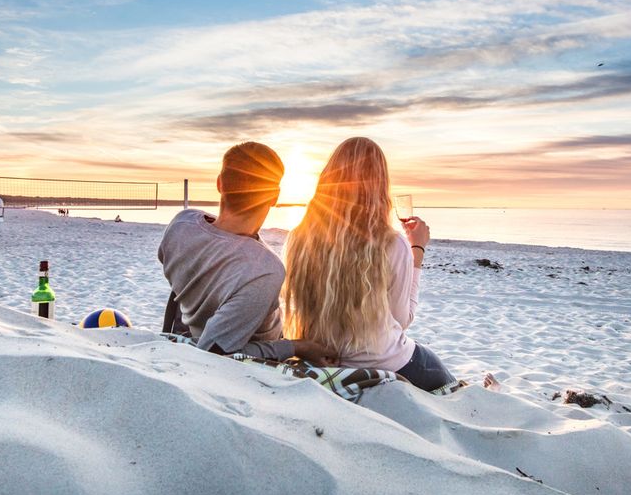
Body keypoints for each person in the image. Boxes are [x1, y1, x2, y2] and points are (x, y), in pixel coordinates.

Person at [282, 137, 459, 392]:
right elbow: (403, 318)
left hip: (319, 359)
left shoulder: (298, 237)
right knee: (444, 380)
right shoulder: (392, 244)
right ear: (379, 186)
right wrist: (417, 249)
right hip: (383, 363)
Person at [157, 141, 335, 365]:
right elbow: (213, 352)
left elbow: (176, 274)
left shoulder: (181, 224)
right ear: (274, 197)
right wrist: (296, 347)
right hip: (245, 360)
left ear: (220, 183)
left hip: (191, 323)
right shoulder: (264, 270)